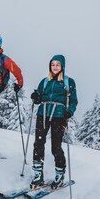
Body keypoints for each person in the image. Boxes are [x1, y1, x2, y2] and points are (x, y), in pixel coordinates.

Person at [30, 54, 78, 189]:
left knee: (56, 146)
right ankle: (38, 175)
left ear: (62, 66)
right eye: (53, 64)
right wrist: (36, 97)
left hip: (59, 116)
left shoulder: (69, 82)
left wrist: (70, 111)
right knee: (38, 143)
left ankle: (60, 174)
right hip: (43, 114)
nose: (55, 67)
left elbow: (73, 100)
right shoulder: (45, 81)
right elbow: (39, 98)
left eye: (58, 64)